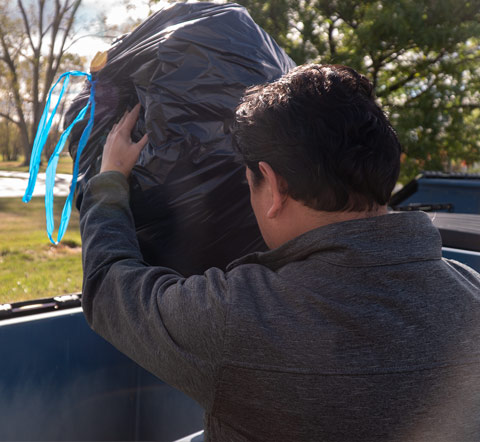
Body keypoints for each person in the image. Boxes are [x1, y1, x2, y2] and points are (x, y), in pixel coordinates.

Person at [80, 64, 480, 442]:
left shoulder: (238, 318)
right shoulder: (472, 292)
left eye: (248, 183)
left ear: (273, 185)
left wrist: (110, 180)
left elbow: (110, 288)